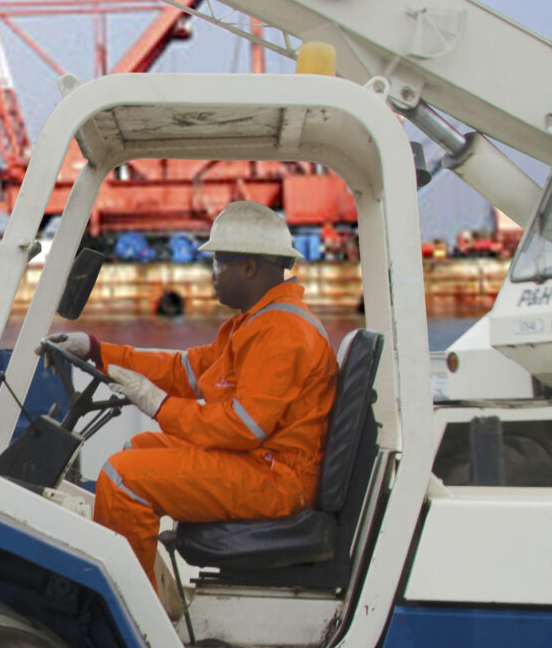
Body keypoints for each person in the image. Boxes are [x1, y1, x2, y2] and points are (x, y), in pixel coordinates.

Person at [48, 200, 340, 582]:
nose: (212, 273)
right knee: (140, 449)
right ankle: (149, 592)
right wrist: (97, 351)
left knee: (124, 478)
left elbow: (242, 427)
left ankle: (132, 611)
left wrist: (160, 405)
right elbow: (184, 370)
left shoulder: (282, 331)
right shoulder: (253, 324)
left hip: (279, 480)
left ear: (250, 267)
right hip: (261, 462)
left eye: (219, 262)